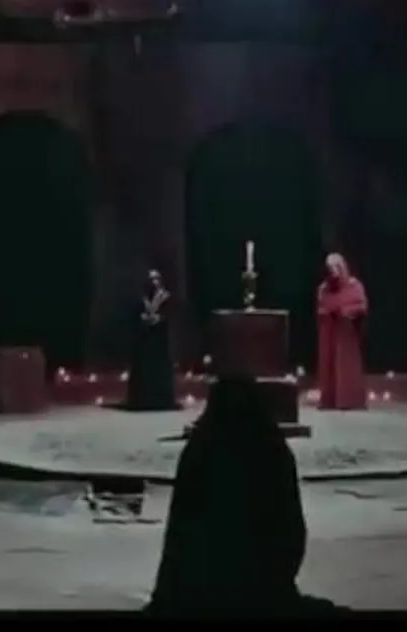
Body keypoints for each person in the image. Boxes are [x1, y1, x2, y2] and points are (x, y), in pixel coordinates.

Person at [146, 377, 346, 617]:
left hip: (195, 592)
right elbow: (290, 532)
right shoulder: (271, 449)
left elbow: (180, 532)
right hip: (264, 592)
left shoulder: (201, 449)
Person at [316, 253, 368, 411]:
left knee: (346, 365)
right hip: (329, 332)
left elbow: (362, 306)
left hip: (346, 333)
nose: (333, 271)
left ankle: (349, 400)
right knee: (329, 365)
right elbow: (321, 307)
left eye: (336, 267)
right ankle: (329, 399)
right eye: (330, 268)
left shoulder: (354, 285)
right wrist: (326, 312)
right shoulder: (324, 288)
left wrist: (347, 311)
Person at [124, 269, 180, 411]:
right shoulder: (141, 299)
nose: (153, 282)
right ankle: (142, 400)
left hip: (160, 342)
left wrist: (159, 319)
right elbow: (134, 315)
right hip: (145, 342)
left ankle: (162, 400)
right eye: (150, 280)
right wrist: (142, 319)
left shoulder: (166, 297)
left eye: (155, 279)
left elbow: (171, 315)